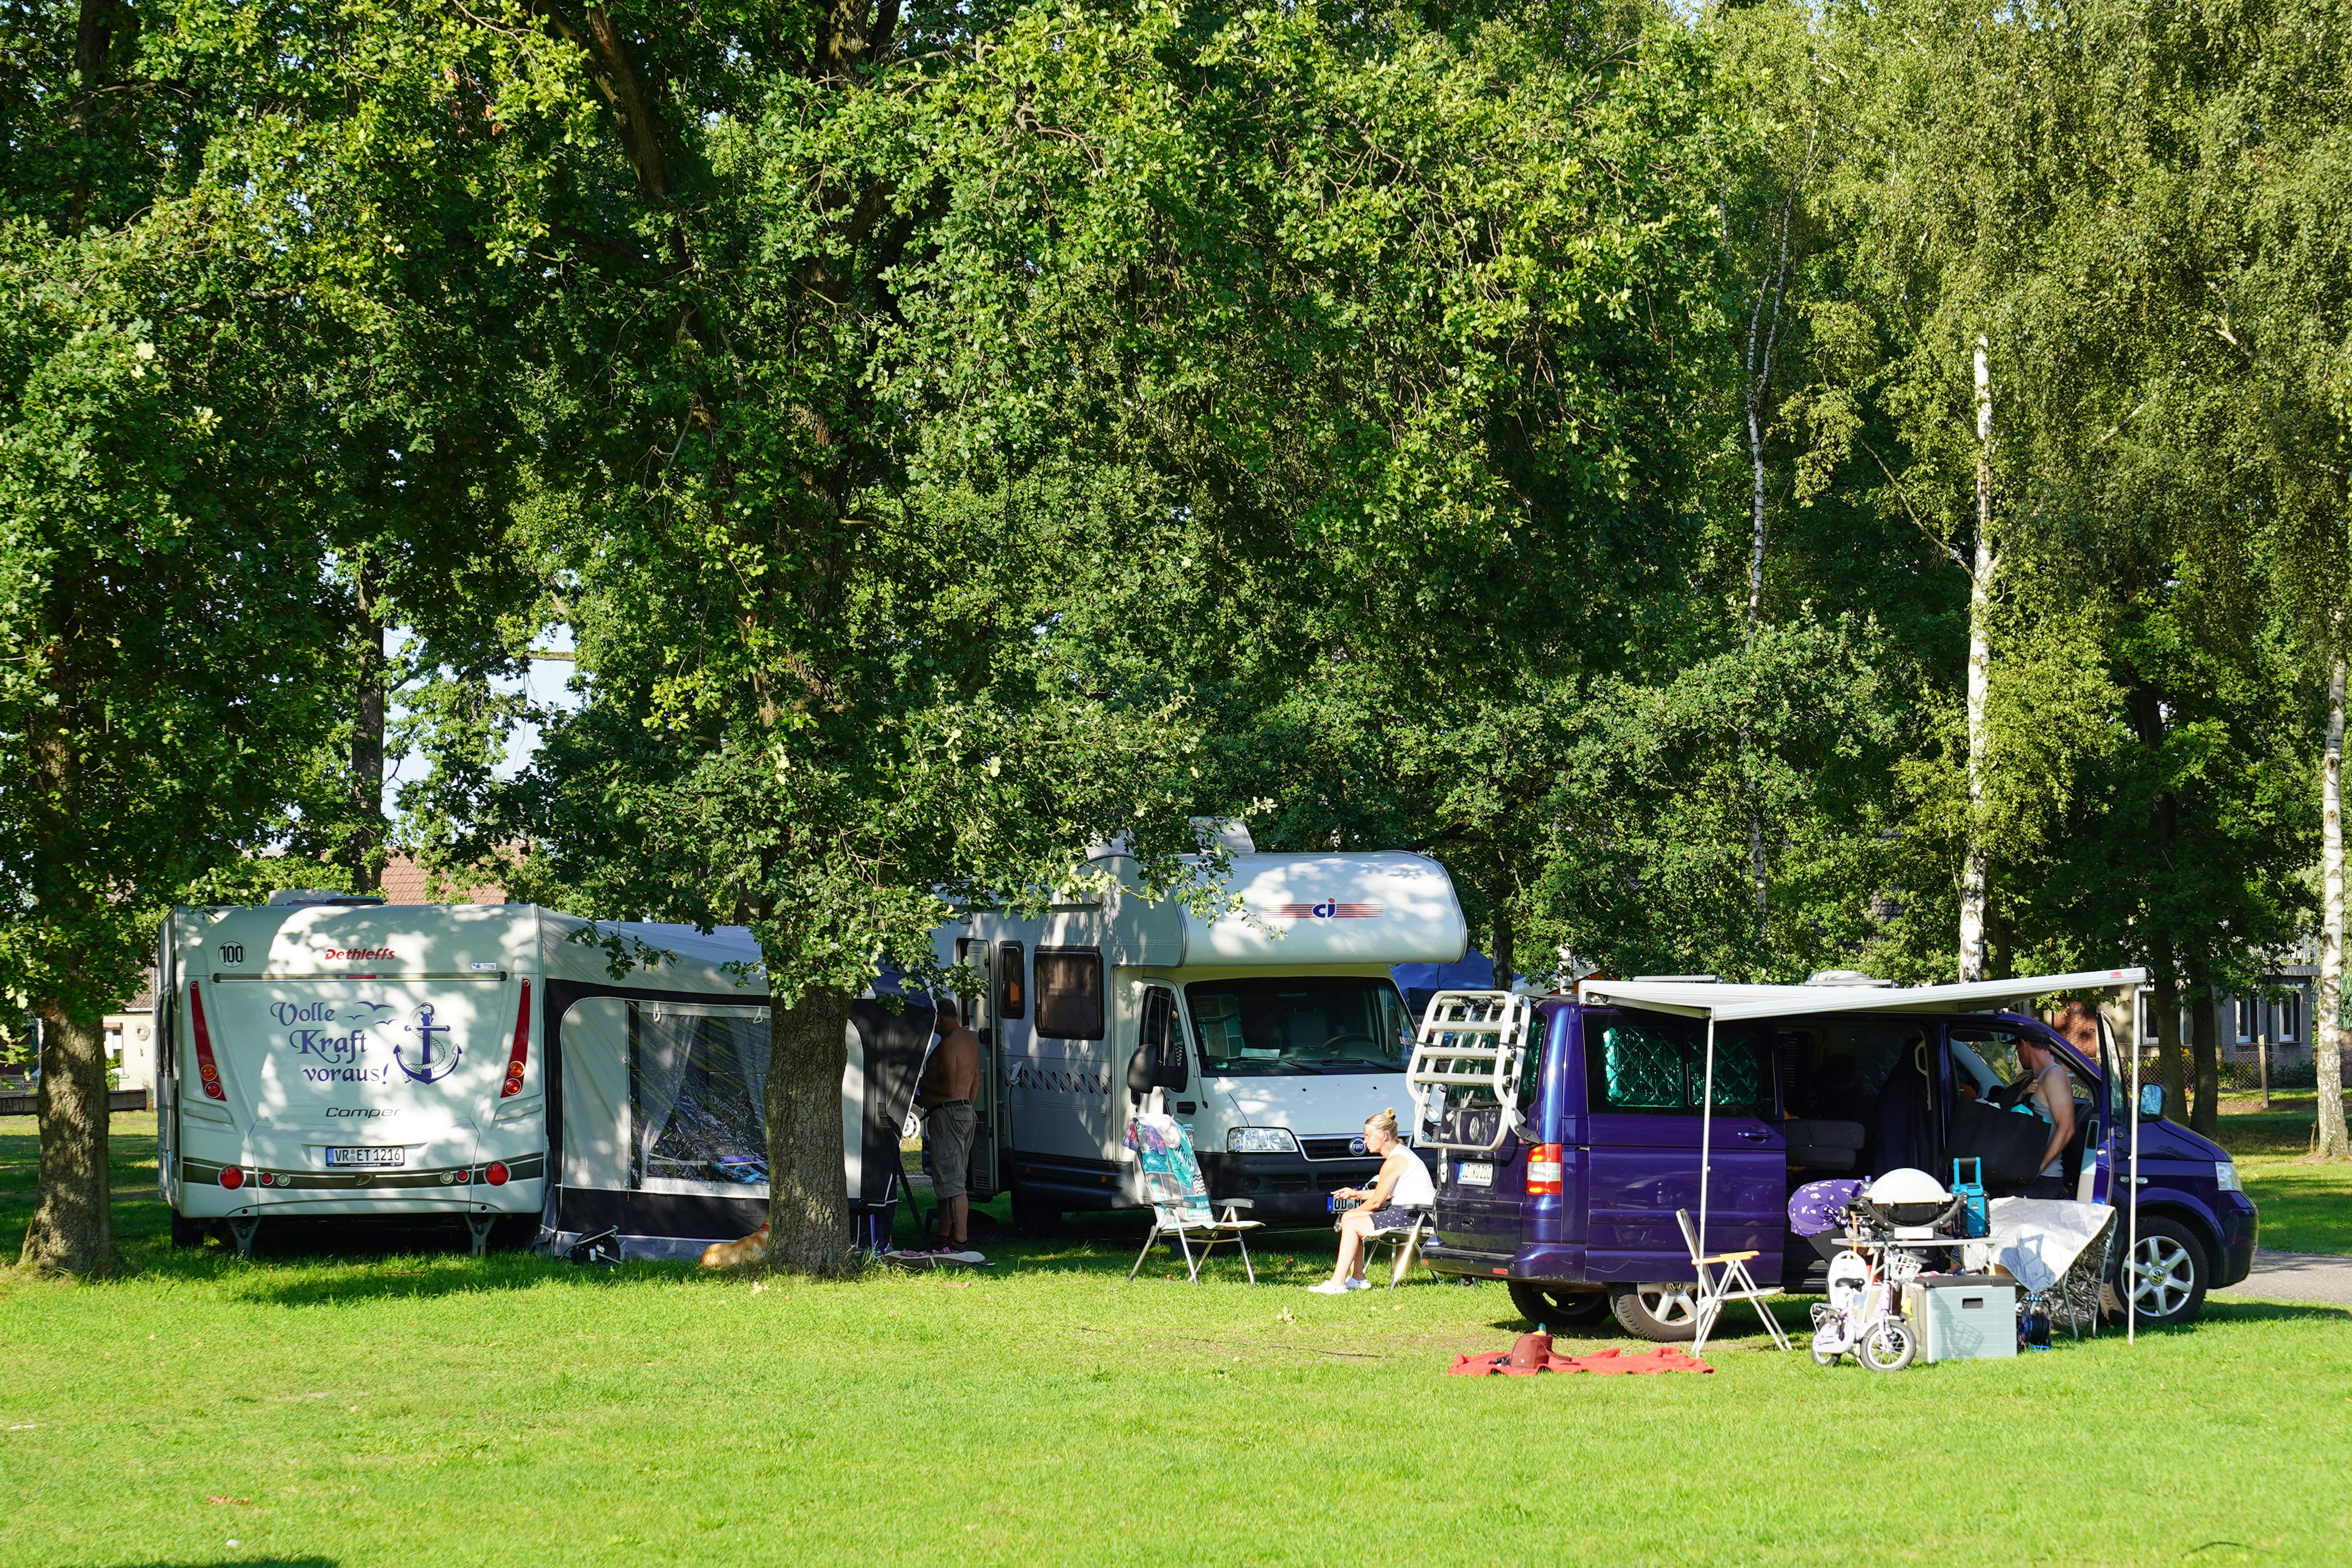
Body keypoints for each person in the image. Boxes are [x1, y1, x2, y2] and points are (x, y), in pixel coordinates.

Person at [1309, 1108, 1435, 1294]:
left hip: (1415, 1215)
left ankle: (1338, 1282)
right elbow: (1386, 1194)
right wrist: (1356, 1194)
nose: (1365, 1141)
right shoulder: (1400, 1155)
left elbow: (1377, 1202)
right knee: (1349, 1219)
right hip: (1411, 1212)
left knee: (1351, 1222)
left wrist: (1351, 1214)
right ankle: (1358, 1278)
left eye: (1368, 1135)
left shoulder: (1394, 1161)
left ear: (1384, 1135)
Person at [915, 998, 982, 1257]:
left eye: (935, 1023)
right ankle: (943, 1235)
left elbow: (948, 1088)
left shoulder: (947, 1045)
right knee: (948, 1177)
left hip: (948, 1115)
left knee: (954, 1185)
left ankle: (960, 1241)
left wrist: (920, 1083)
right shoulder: (969, 1040)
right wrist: (968, 1107)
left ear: (940, 1018)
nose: (933, 1029)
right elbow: (976, 1079)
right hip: (965, 1112)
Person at [2014, 1036, 2078, 1199]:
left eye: (2017, 1048)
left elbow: (2067, 1128)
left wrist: (2037, 1169)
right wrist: (2021, 1092)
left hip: (2042, 1179)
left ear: (2024, 1044)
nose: (2017, 1054)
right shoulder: (2023, 1079)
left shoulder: (2054, 1076)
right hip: (2016, 1174)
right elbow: (2005, 1116)